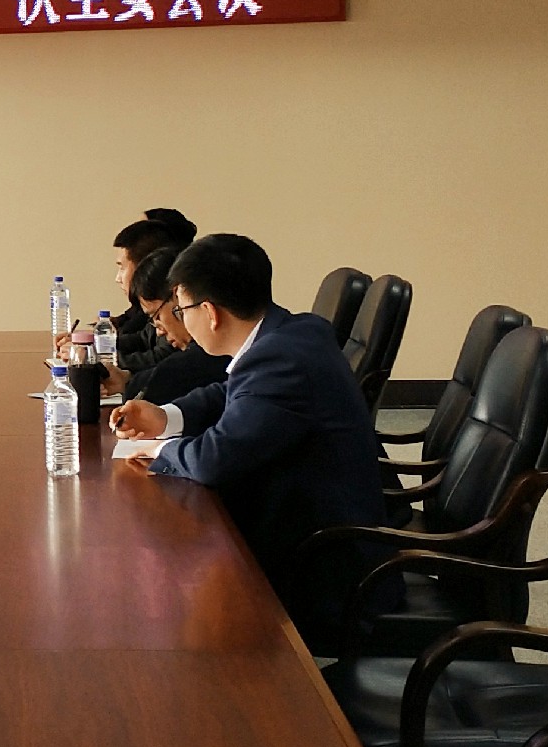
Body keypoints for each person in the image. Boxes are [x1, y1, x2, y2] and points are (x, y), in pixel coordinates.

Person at [110, 233, 387, 652]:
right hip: (306, 527)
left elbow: (213, 459)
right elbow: (230, 393)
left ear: (209, 312)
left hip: (327, 570)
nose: (179, 323)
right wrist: (166, 417)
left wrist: (158, 449)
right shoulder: (293, 332)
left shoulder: (279, 360)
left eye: (181, 311)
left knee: (173, 599)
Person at [120, 247, 223, 404]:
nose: (159, 331)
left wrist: (129, 382)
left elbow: (167, 376)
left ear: (178, 298)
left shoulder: (213, 353)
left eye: (157, 316)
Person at [106, 217, 186, 373]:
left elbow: (160, 360)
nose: (118, 278)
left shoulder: (167, 302)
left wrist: (101, 359)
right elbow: (142, 338)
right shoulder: (152, 305)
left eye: (122, 268)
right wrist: (94, 344)